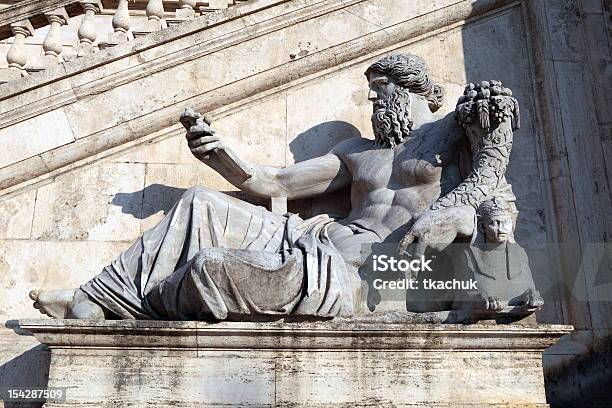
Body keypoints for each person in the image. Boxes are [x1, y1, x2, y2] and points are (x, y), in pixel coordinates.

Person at [29, 54, 485, 320]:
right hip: (311, 237)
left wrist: (461, 221)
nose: (371, 98)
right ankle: (94, 296)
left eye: (379, 87)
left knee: (214, 266)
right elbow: (275, 181)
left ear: (408, 89)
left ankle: (135, 302)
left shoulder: (450, 137)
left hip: (363, 264)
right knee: (201, 202)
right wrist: (219, 153)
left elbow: (486, 196)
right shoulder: (358, 150)